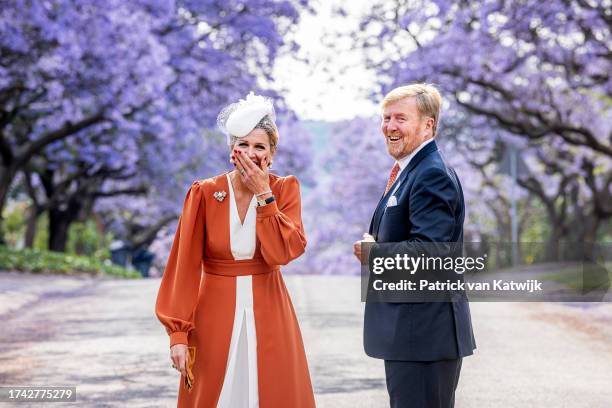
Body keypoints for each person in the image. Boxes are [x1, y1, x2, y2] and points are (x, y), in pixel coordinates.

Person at [156, 92, 315, 407]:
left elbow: (283, 252)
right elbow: (183, 266)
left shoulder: (285, 189)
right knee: (212, 392)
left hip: (270, 308)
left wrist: (264, 195)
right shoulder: (204, 193)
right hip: (213, 311)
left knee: (272, 391)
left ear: (271, 153)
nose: (251, 154)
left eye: (260, 147)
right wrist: (178, 333)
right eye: (243, 145)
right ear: (231, 150)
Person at [354, 84, 476, 408]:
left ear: (427, 125)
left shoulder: (431, 174)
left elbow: (431, 253)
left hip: (424, 336)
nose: (390, 126)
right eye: (386, 118)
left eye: (401, 118)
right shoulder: (410, 171)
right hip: (412, 336)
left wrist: (373, 253)